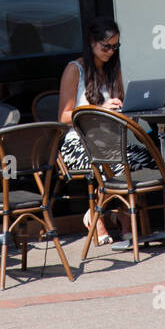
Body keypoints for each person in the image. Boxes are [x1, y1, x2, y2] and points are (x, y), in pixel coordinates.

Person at [57, 16, 152, 243]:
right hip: (77, 143)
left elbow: (120, 109)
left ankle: (101, 211)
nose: (110, 51)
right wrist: (100, 109)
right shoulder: (75, 70)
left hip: (110, 142)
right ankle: (117, 220)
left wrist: (129, 113)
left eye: (115, 46)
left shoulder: (113, 71)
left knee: (148, 159)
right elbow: (63, 117)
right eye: (106, 46)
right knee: (119, 164)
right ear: (92, 43)